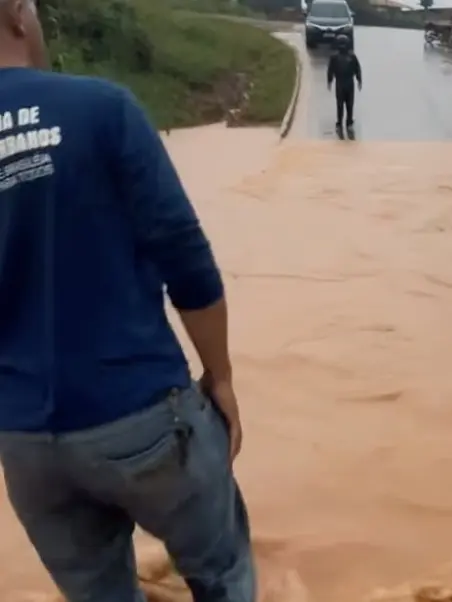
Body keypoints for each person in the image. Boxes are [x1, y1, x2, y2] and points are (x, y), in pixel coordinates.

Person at [0, 0, 255, 600]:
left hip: (25, 443)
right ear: (15, 12)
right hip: (140, 417)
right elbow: (186, 258)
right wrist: (220, 378)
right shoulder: (100, 109)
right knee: (223, 573)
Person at [326, 34, 362, 129]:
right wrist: (329, 80)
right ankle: (341, 121)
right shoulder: (335, 58)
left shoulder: (352, 57)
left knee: (348, 104)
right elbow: (330, 70)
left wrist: (359, 80)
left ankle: (348, 121)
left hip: (347, 83)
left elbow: (357, 69)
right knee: (341, 104)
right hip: (342, 83)